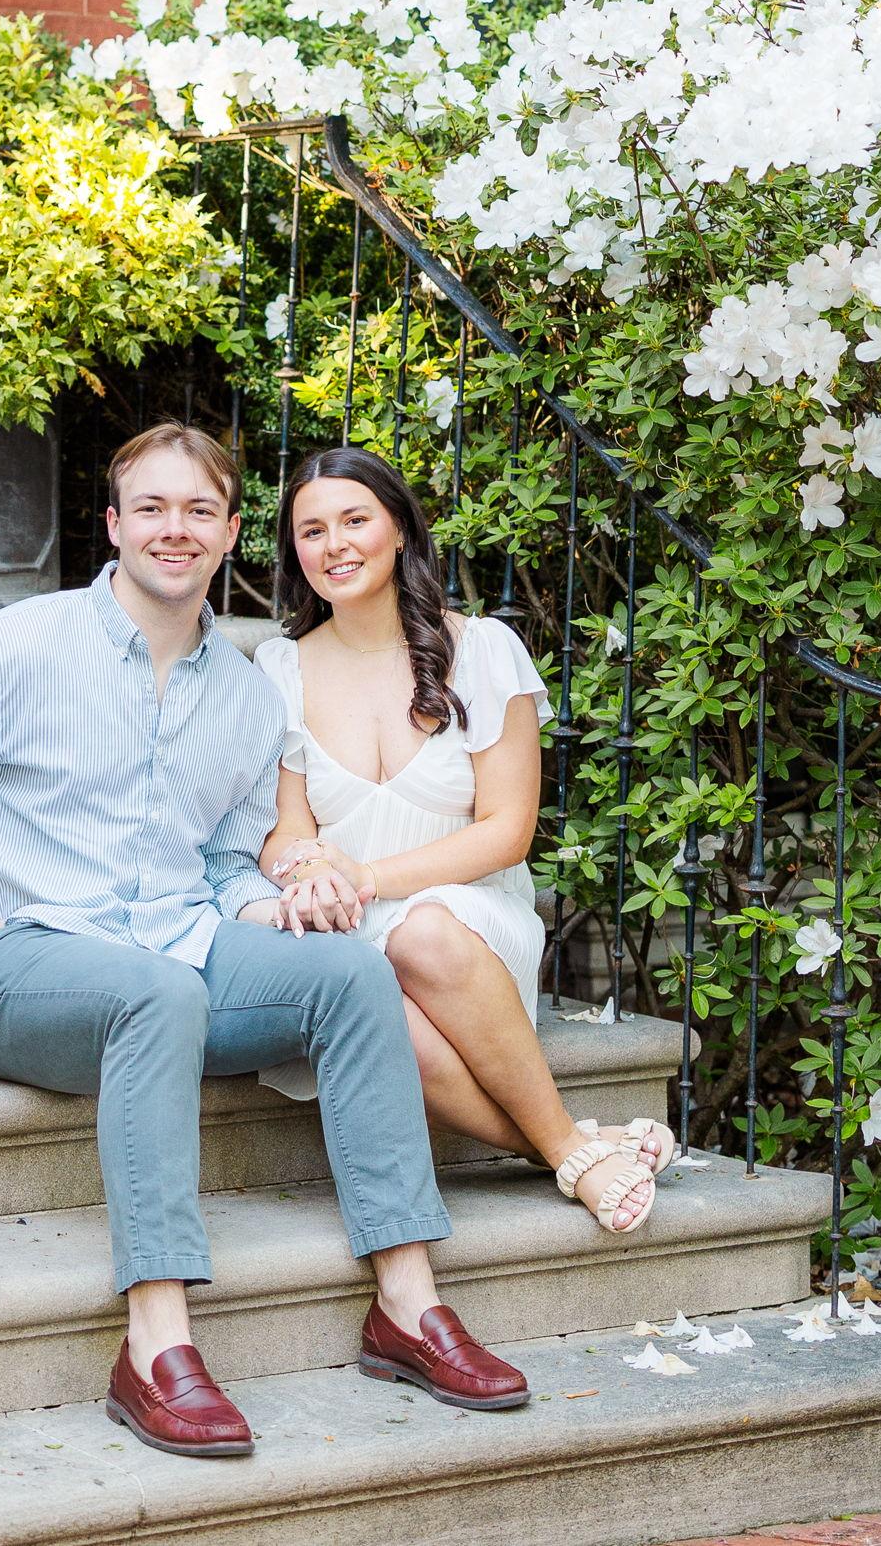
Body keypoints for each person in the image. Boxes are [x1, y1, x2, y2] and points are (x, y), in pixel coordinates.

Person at [0, 423, 528, 1462]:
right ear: (113, 525)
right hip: (21, 966)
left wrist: (272, 911)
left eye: (199, 511)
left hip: (178, 942)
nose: (176, 530)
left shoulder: (247, 694)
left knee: (346, 973)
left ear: (229, 534)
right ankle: (154, 1342)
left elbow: (220, 862)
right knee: (153, 995)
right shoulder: (12, 647)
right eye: (152, 509)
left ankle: (405, 1303)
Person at [253, 446, 677, 1236]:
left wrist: (367, 875)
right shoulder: (281, 667)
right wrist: (305, 870)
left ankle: (565, 1150)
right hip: (350, 925)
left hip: (472, 925)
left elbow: (509, 832)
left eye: (355, 520)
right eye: (311, 531)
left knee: (425, 934)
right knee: (374, 1018)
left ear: (402, 532)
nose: (334, 545)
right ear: (294, 552)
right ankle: (577, 1146)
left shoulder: (481, 649)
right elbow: (288, 826)